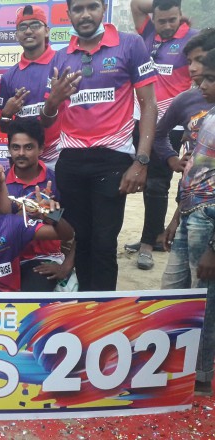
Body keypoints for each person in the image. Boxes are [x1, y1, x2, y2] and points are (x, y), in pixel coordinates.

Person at [42, 0, 158, 291]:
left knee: (104, 244)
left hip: (112, 160)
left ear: (102, 9)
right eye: (78, 9)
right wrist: (52, 102)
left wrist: (141, 160)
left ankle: (103, 311)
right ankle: (85, 307)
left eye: (92, 6)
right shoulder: (60, 58)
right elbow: (47, 119)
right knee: (81, 240)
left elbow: (149, 105)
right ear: (68, 13)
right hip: (71, 160)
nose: (85, 14)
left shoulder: (129, 45)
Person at [127, 0, 198, 270]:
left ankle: (148, 244)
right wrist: (161, 5)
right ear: (153, 19)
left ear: (181, 16)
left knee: (158, 184)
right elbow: (136, 5)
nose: (167, 26)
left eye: (173, 19)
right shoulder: (147, 32)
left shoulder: (193, 38)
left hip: (172, 126)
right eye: (162, 20)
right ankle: (153, 234)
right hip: (141, 119)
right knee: (144, 182)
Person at [160, 50, 215, 396]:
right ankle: (170, 365)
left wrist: (213, 248)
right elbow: (195, 174)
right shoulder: (207, 117)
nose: (202, 85)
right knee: (172, 293)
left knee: (205, 301)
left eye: (210, 79)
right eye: (201, 78)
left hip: (209, 220)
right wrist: (176, 217)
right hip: (191, 213)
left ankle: (201, 376)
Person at [2, 119, 75, 292]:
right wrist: (27, 212)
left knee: (29, 298)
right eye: (16, 147)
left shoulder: (57, 181)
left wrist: (66, 267)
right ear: (9, 149)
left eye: (28, 147)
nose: (21, 153)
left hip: (43, 259)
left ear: (41, 148)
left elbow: (76, 230)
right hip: (5, 260)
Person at [0, 5, 62, 170]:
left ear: (46, 31)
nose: (28, 31)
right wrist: (6, 114)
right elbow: (2, 125)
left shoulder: (63, 63)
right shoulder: (9, 76)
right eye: (22, 27)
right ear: (17, 35)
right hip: (25, 160)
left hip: (61, 155)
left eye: (35, 25)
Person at [153, 29, 215, 177]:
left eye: (199, 59)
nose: (192, 68)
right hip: (193, 187)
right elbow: (158, 134)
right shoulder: (185, 100)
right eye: (189, 62)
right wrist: (172, 159)